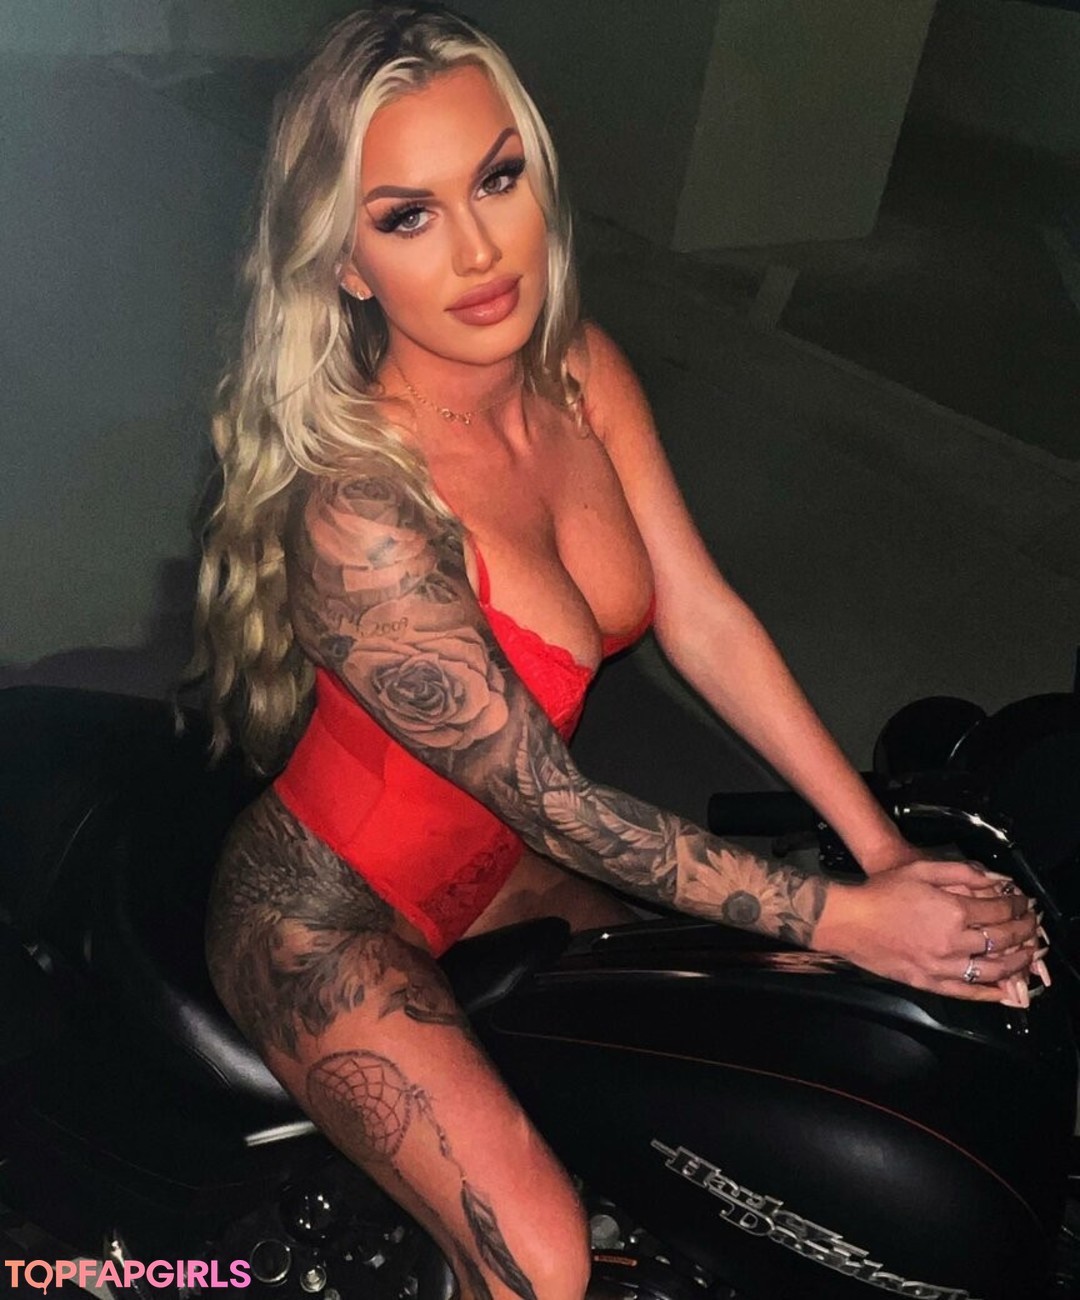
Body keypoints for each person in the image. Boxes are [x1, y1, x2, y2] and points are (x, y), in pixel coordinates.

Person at [196, 6, 1043, 1297]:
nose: (480, 249)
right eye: (407, 215)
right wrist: (856, 917)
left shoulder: (582, 373)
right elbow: (561, 802)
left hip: (500, 870)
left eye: (497, 178)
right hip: (326, 917)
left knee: (747, 1057)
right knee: (542, 1265)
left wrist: (880, 850)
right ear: (347, 266)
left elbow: (702, 616)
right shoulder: (362, 509)